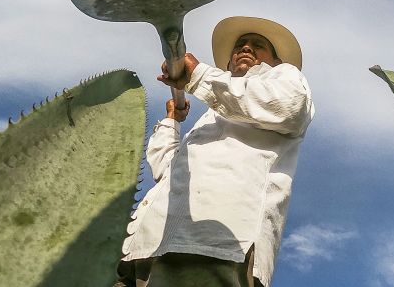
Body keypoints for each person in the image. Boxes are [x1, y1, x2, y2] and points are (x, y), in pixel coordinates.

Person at [115, 16, 314, 287]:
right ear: (229, 63)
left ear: (276, 62)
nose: (246, 48)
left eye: (258, 45)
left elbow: (288, 106)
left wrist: (199, 76)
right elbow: (168, 172)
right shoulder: (214, 115)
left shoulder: (284, 78)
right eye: (240, 45)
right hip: (147, 246)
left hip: (215, 244)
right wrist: (172, 122)